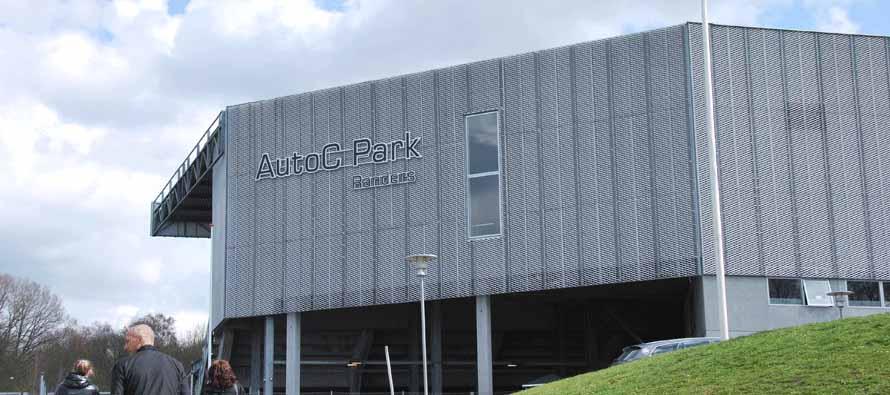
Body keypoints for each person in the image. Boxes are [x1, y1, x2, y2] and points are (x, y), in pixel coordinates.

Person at [111, 324, 189, 395]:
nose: (125, 347)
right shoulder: (177, 365)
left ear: (139, 340)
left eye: (128, 341)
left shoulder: (122, 365)